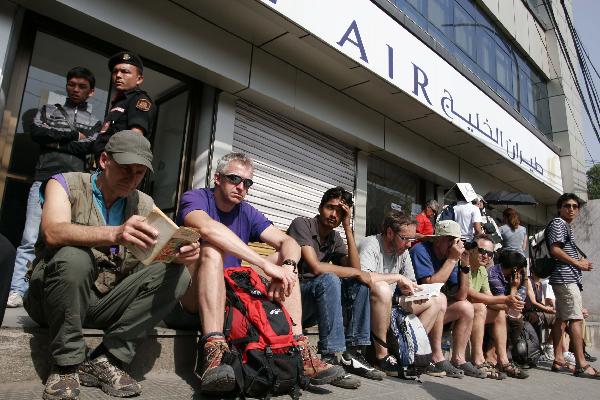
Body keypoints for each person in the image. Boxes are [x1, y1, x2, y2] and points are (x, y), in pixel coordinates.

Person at [24, 131, 194, 400]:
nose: (132, 178)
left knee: (178, 274)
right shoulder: (64, 183)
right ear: (104, 160)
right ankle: (67, 365)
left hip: (105, 301)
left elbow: (147, 263)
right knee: (74, 256)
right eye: (126, 169)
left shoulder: (143, 204)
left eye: (139, 173)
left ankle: (108, 358)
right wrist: (114, 233)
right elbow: (53, 232)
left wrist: (175, 255)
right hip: (52, 300)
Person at [175, 152, 343, 394]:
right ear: (217, 178)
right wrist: (263, 265)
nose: (241, 187)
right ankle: (213, 353)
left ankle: (299, 351)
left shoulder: (246, 211)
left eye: (247, 183)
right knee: (211, 248)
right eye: (234, 179)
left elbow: (289, 242)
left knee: (287, 264)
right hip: (192, 296)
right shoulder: (196, 197)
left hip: (231, 292)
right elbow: (207, 228)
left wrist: (286, 267)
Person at [7, 67, 101, 309]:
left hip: (73, 184)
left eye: (82, 86)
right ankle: (17, 289)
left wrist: (56, 140)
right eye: (72, 84)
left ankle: (45, 291)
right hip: (43, 177)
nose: (76, 89)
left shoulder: (94, 121)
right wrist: (72, 135)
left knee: (62, 240)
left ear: (91, 92)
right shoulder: (47, 110)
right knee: (29, 237)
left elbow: (90, 147)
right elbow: (37, 132)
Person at [286, 187, 384, 389]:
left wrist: (347, 227)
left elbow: (356, 269)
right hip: (293, 300)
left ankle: (352, 354)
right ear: (321, 207)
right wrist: (356, 273)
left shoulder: (334, 238)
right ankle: (330, 357)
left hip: (316, 301)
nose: (334, 215)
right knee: (330, 279)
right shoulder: (302, 224)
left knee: (359, 284)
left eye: (340, 212)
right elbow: (315, 266)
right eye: (330, 208)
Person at [359, 211, 443, 375]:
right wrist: (397, 277)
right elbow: (363, 277)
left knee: (437, 300)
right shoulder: (371, 244)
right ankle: (381, 356)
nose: (409, 245)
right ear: (390, 233)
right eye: (405, 239)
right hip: (368, 305)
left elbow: (410, 281)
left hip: (390, 304)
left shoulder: (403, 252)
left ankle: (407, 350)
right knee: (382, 288)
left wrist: (410, 288)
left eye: (412, 240)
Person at [410, 220, 478, 378]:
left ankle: (458, 359)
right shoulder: (421, 251)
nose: (453, 245)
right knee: (440, 297)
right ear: (437, 239)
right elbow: (429, 287)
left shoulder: (449, 258)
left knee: (466, 307)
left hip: (436, 311)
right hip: (416, 309)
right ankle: (436, 356)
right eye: (450, 240)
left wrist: (465, 266)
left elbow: (461, 296)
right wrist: (453, 260)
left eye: (455, 241)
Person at [546, 193, 598, 378]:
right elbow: (555, 249)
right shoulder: (559, 224)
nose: (571, 209)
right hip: (566, 279)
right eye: (567, 205)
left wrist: (578, 260)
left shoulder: (564, 225)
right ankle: (581, 364)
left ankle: (559, 359)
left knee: (560, 320)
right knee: (576, 319)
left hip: (564, 278)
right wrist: (577, 263)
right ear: (560, 208)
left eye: (575, 206)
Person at [465, 236, 528, 379]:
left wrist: (509, 304)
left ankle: (503, 360)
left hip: (471, 309)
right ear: (472, 250)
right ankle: (479, 359)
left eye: (490, 254)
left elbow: (490, 298)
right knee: (482, 307)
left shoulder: (481, 270)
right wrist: (508, 298)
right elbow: (471, 295)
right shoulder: (466, 266)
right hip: (460, 308)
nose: (486, 256)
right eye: (482, 251)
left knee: (500, 313)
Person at [93, 51, 155, 158]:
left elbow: (135, 137)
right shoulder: (120, 102)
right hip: (104, 166)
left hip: (117, 166)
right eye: (115, 71)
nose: (118, 75)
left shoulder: (139, 99)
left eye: (125, 72)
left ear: (139, 79)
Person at [486, 249, 530, 378]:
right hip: (492, 306)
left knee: (517, 316)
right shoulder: (493, 274)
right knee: (504, 314)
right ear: (515, 269)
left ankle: (503, 354)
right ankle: (495, 355)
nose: (523, 273)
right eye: (522, 270)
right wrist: (513, 288)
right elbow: (503, 301)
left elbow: (520, 298)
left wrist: (523, 281)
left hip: (503, 307)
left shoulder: (517, 276)